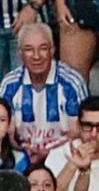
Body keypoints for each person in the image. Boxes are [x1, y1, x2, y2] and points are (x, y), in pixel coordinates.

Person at [1, 22, 87, 160]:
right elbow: (4, 131)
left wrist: (49, 153)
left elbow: (80, 131)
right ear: (20, 53)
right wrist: (24, 150)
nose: (36, 56)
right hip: (21, 156)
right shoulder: (9, 84)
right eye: (29, 49)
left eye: (43, 48)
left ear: (53, 50)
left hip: (63, 156)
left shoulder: (71, 83)